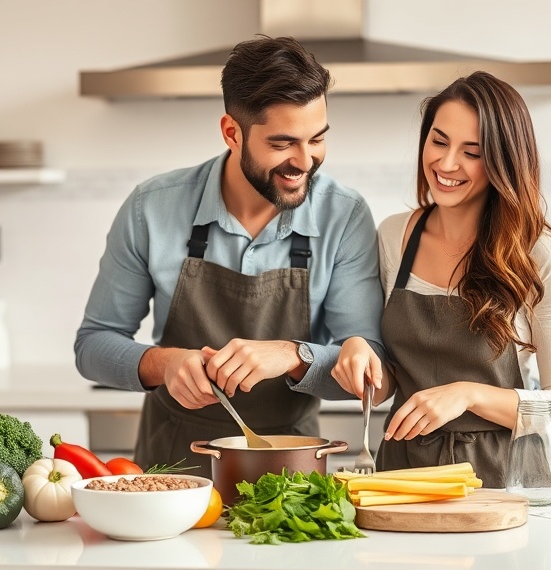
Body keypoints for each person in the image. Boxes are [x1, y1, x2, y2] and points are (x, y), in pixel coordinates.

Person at [75, 36, 384, 476]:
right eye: (282, 144)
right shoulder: (152, 207)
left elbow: (369, 366)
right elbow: (93, 346)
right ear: (231, 132)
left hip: (291, 478)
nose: (305, 161)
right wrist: (164, 364)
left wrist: (295, 355)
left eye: (317, 139)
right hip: (174, 474)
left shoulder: (344, 215)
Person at [331, 71, 551, 487]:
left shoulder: (540, 256)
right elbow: (394, 374)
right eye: (439, 141)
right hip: (404, 477)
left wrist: (468, 394)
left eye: (473, 151)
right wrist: (364, 362)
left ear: (504, 161)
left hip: (505, 480)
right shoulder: (395, 237)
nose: (447, 164)